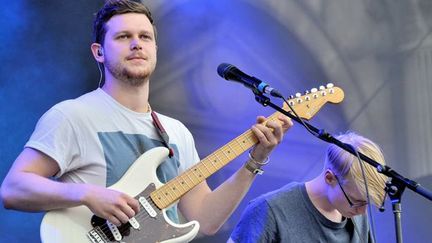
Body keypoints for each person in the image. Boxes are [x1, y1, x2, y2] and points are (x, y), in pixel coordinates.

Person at [0, 0, 292, 239]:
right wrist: (87, 193)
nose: (137, 44)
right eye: (123, 36)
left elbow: (205, 220)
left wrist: (255, 161)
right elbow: (13, 189)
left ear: (155, 49)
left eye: (145, 37)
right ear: (99, 52)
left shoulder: (177, 132)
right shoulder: (73, 116)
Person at [229, 132, 388, 243]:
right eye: (357, 201)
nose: (363, 211)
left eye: (367, 203)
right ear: (330, 178)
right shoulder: (269, 211)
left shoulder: (356, 212)